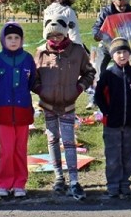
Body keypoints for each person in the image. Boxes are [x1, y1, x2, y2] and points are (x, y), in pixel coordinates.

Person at [36, 18, 96, 200]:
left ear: (66, 33)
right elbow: (33, 76)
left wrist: (79, 88)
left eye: (59, 34)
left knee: (69, 142)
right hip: (48, 105)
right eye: (51, 35)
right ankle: (58, 177)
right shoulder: (40, 53)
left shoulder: (77, 51)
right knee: (53, 139)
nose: (55, 38)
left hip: (68, 105)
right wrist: (39, 89)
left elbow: (90, 72)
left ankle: (75, 181)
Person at [93, 37, 131, 199]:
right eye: (118, 52)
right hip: (112, 124)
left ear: (129, 54)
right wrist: (107, 112)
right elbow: (98, 96)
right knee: (113, 156)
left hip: (130, 124)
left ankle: (125, 184)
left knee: (128, 155)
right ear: (112, 55)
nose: (122, 55)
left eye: (125, 51)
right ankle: (113, 185)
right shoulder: (108, 75)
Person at [0, 22, 38, 198]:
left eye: (17, 37)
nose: (13, 41)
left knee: (20, 150)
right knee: (6, 150)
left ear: (22, 40)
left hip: (23, 110)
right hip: (3, 111)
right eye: (9, 38)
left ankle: (19, 184)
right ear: (3, 40)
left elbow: (32, 82)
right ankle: (3, 183)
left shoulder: (28, 59)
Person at [91, 0, 131, 72]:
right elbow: (96, 27)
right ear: (114, 2)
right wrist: (97, 35)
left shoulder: (130, 11)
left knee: (124, 69)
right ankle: (102, 83)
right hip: (107, 44)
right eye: (120, 5)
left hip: (122, 45)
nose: (123, 8)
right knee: (101, 67)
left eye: (125, 5)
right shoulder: (107, 12)